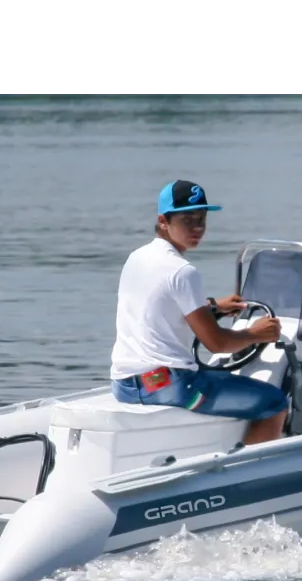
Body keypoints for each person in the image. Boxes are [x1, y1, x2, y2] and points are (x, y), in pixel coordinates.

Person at [110, 180, 288, 445]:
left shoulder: (137, 258)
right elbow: (218, 343)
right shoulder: (183, 271)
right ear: (163, 221)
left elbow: (159, 302)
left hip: (124, 385)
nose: (197, 228)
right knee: (274, 402)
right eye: (187, 220)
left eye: (201, 220)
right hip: (172, 389)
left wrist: (212, 306)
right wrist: (257, 333)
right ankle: (245, 467)